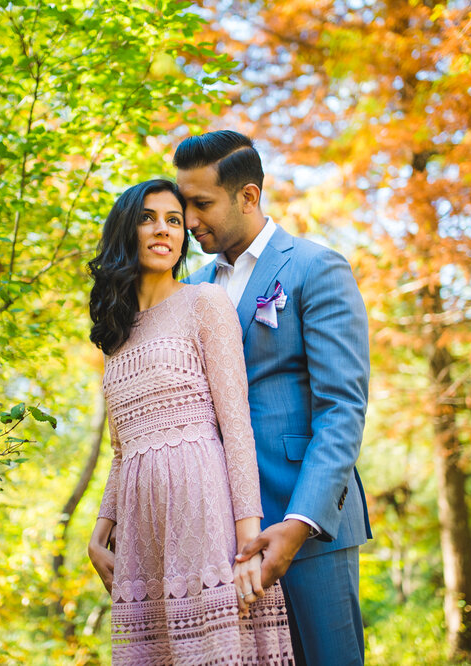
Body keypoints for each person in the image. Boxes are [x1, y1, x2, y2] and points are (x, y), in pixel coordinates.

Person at [175, 131, 371, 665]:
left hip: (306, 526)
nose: (189, 221)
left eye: (201, 204)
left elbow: (342, 408)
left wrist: (301, 520)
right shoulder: (188, 290)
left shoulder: (315, 268)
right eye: (183, 203)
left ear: (248, 196)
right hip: (220, 533)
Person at [86, 179, 294, 665]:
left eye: (174, 220)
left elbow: (236, 426)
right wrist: (100, 530)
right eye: (149, 218)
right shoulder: (115, 336)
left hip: (203, 512)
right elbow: (123, 449)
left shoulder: (204, 302)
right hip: (143, 531)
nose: (164, 230)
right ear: (125, 230)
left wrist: (248, 543)